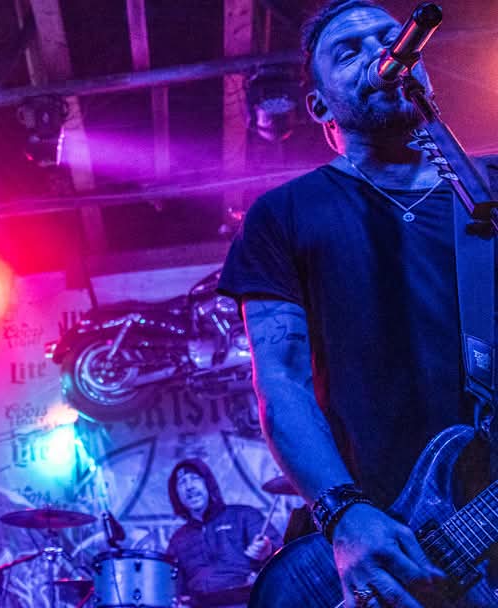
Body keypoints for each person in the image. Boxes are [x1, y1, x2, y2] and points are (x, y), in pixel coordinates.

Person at [218, 1, 498, 606]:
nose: (381, 53)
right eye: (350, 51)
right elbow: (281, 383)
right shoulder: (285, 215)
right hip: (384, 539)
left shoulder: (492, 194)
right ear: (318, 106)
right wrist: (344, 514)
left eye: (390, 39)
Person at [165, 458, 280, 608]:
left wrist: (268, 550)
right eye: (181, 483)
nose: (189, 487)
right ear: (177, 496)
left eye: (194, 478)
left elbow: (281, 554)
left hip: (249, 601)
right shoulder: (177, 539)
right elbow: (172, 588)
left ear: (208, 484)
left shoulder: (244, 515)